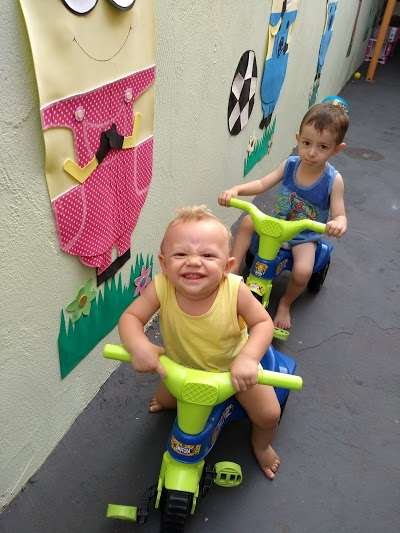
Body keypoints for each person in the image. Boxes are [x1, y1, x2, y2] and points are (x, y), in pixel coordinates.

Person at [119, 206, 282, 479]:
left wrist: (248, 358)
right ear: (164, 264)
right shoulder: (162, 286)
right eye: (181, 254)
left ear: (227, 266)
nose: (193, 262)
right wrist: (138, 345)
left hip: (232, 371)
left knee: (268, 414)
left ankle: (261, 445)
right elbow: (131, 317)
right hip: (182, 368)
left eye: (207, 255)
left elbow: (263, 323)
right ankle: (169, 399)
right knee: (166, 401)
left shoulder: (235, 290)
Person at [219, 102, 348, 330]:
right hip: (277, 225)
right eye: (306, 143)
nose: (311, 152)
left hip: (304, 235)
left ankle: (285, 303)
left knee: (303, 271)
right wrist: (236, 190)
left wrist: (337, 223)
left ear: (336, 149)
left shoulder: (333, 180)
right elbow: (262, 183)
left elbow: (340, 214)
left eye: (322, 147)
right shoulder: (290, 165)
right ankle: (233, 271)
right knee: (248, 221)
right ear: (298, 139)